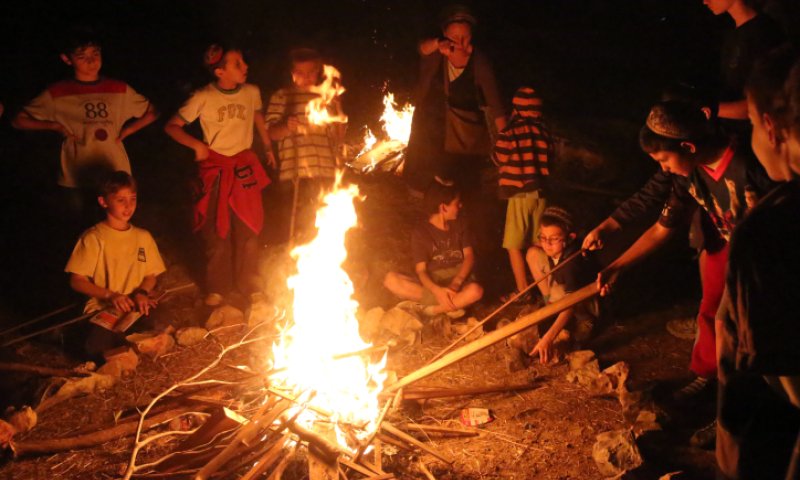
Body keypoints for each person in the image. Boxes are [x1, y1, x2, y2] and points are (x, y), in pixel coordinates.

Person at [597, 101, 775, 443]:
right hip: (741, 261)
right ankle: (729, 419)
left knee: (751, 342)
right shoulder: (689, 173)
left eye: (664, 160)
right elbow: (662, 228)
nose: (664, 169)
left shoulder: (750, 164)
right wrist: (618, 265)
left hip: (769, 268)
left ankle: (744, 425)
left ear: (688, 146)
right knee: (724, 329)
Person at [713, 45, 800, 479]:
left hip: (772, 444)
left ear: (771, 125)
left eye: (749, 123)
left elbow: (783, 381)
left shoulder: (770, 230)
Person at [12, 29, 158, 230]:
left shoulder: (119, 89)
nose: (91, 61)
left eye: (95, 54)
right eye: (82, 56)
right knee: (79, 228)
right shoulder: (57, 92)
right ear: (67, 59)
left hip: (114, 170)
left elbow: (152, 112)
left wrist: (129, 130)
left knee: (116, 226)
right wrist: (53, 125)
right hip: (76, 175)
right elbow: (19, 120)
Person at [164, 44, 272, 307]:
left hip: (243, 166)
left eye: (243, 61)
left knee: (249, 230)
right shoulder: (203, 97)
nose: (245, 67)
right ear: (220, 70)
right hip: (216, 169)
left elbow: (257, 116)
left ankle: (248, 285)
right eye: (237, 64)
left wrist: (268, 146)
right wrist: (197, 146)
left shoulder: (251, 92)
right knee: (216, 232)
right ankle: (218, 288)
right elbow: (172, 126)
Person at [404, 4, 506, 195]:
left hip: (461, 135)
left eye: (465, 36)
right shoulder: (437, 52)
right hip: (430, 128)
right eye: (454, 37)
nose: (459, 42)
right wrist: (437, 44)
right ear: (444, 34)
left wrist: (505, 141)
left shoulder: (478, 61)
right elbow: (421, 48)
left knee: (461, 186)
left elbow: (496, 105)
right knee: (425, 180)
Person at [65, 171, 166, 357]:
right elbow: (77, 280)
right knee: (93, 348)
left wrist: (142, 293)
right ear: (104, 202)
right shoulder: (94, 237)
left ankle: (126, 344)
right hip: (105, 306)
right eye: (121, 200)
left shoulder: (142, 237)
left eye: (132, 198)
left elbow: (150, 275)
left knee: (159, 325)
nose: (129, 206)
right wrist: (110, 295)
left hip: (134, 305)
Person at [265, 47, 344, 243]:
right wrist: (286, 127)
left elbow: (337, 136)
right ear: (292, 74)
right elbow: (271, 133)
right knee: (297, 226)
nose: (306, 77)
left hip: (324, 170)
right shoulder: (283, 96)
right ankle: (290, 267)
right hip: (295, 173)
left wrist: (339, 113)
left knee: (325, 226)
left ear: (318, 72)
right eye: (300, 73)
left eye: (311, 72)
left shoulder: (326, 97)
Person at [383, 180, 483, 316]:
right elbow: (421, 270)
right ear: (443, 208)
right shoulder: (421, 232)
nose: (461, 205)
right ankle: (453, 305)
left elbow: (469, 256)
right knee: (391, 280)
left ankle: (432, 310)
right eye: (456, 203)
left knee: (476, 291)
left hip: (458, 281)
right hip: (433, 282)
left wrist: (456, 283)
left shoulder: (460, 223)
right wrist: (437, 291)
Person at [492, 87, 551, 303]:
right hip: (541, 193)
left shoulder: (511, 131)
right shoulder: (544, 131)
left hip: (519, 194)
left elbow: (499, 157)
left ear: (517, 108)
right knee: (538, 244)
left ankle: (523, 290)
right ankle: (546, 290)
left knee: (513, 245)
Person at [525, 207, 596, 365]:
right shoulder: (553, 246)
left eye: (554, 239)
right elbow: (545, 241)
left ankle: (581, 325)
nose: (547, 244)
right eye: (543, 237)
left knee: (578, 335)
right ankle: (548, 303)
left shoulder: (571, 265)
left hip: (584, 304)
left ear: (569, 238)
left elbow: (570, 303)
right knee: (532, 253)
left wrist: (548, 338)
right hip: (561, 286)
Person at [703, 0, 785, 137]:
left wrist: (712, 109)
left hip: (763, 137)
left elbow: (766, 101)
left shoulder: (764, 33)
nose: (705, 2)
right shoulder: (732, 35)